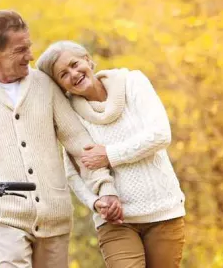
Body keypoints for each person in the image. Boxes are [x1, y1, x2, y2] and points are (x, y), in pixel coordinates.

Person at [0, 11, 120, 268]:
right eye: (20, 50)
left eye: (29, 47)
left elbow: (80, 145)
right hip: (6, 217)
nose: (30, 56)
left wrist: (104, 188)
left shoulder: (45, 86)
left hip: (55, 218)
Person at [36, 40, 187, 268]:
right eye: (63, 75)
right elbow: (74, 172)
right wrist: (95, 202)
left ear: (87, 59)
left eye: (75, 64)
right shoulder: (71, 115)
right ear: (61, 86)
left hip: (164, 212)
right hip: (116, 223)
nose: (74, 74)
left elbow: (160, 135)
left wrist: (109, 154)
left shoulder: (132, 82)